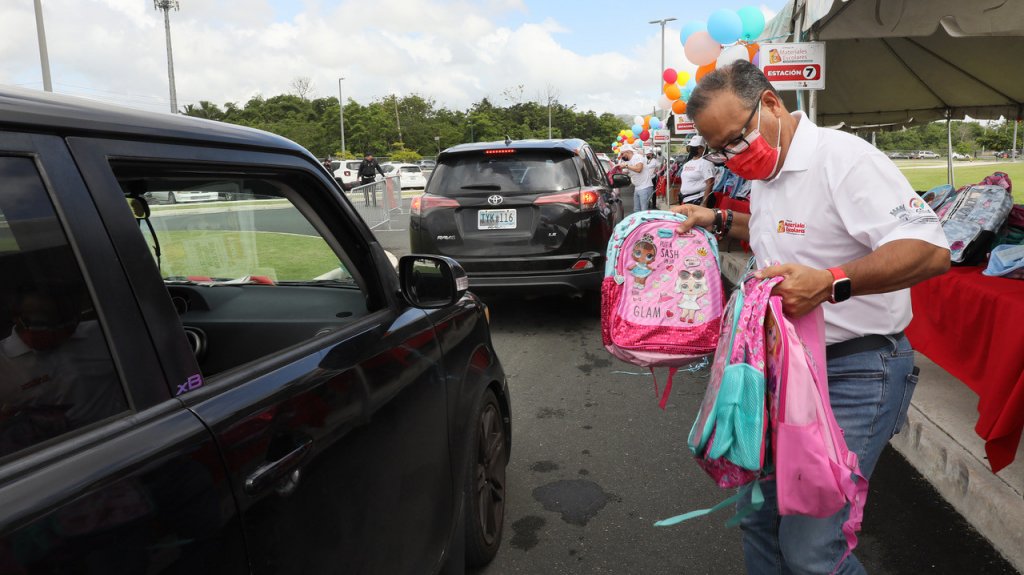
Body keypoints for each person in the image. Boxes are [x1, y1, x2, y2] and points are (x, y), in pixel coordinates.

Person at [671, 59, 950, 574]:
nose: (732, 158)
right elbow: (787, 228)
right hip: (782, 370)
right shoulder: (769, 166)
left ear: (773, 103)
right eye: (719, 151)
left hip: (854, 370)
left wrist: (830, 283)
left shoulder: (842, 159)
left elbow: (930, 250)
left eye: (736, 140)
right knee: (760, 521)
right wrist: (715, 218)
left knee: (812, 551)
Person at [0, 288, 127, 455]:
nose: (55, 335)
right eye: (42, 325)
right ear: (18, 319)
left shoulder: (103, 336)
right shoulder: (4, 362)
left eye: (65, 326)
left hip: (116, 440)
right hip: (45, 457)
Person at [677, 135, 717, 207]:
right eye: (692, 147)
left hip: (698, 199)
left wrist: (704, 203)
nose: (693, 149)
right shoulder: (687, 164)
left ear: (702, 148)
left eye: (696, 147)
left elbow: (710, 182)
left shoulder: (706, 163)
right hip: (686, 200)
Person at [618, 143, 654, 213]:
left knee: (644, 210)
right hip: (638, 187)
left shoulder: (637, 157)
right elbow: (626, 172)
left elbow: (638, 169)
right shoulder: (628, 161)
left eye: (622, 154)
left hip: (645, 187)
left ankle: (645, 223)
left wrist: (626, 166)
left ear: (627, 152)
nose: (622, 156)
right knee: (636, 210)